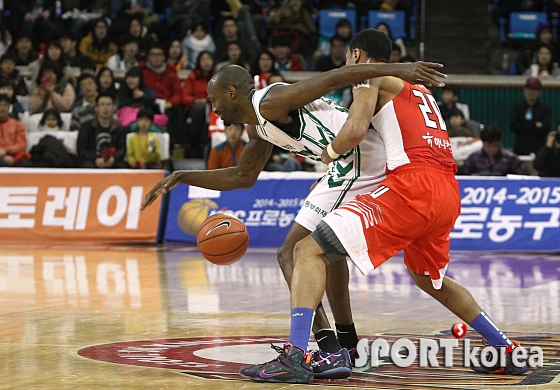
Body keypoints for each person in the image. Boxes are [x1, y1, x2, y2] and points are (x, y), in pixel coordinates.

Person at [237, 28, 530, 384]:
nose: (348, 67)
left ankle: (296, 355)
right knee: (430, 280)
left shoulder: (370, 79)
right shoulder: (420, 90)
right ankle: (506, 349)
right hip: (448, 189)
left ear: (357, 56)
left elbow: (355, 129)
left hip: (412, 186)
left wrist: (328, 158)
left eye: (348, 60)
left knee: (307, 250)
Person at [141, 60, 447, 379]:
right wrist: (181, 176)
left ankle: (319, 352)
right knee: (322, 251)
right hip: (348, 165)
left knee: (291, 252)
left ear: (231, 93)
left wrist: (397, 70)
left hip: (361, 162)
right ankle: (344, 346)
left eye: (214, 98)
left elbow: (334, 78)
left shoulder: (271, 101)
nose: (212, 106)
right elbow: (244, 176)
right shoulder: (258, 125)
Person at [77, 92, 127, 168]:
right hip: (92, 160)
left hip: (112, 160)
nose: (105, 108)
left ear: (113, 108)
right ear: (96, 108)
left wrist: (113, 158)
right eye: (102, 104)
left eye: (108, 104)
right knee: (87, 166)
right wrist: (95, 159)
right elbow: (81, 150)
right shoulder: (86, 127)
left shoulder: (119, 128)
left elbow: (122, 150)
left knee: (121, 166)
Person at [181, 51, 215, 157]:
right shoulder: (192, 76)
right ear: (198, 62)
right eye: (203, 60)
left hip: (214, 107)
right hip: (196, 108)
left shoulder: (217, 76)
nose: (206, 62)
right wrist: (196, 100)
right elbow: (185, 97)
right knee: (199, 109)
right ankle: (195, 147)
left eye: (208, 59)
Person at [462, 126, 529, 176]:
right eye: (488, 146)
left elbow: (523, 177)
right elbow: (464, 177)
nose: (491, 149)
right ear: (483, 143)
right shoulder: (473, 159)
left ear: (499, 142)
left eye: (494, 145)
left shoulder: (511, 159)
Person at [509, 77, 551, 156]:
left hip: (539, 150)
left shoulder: (544, 109)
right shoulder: (516, 108)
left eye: (534, 90)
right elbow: (513, 126)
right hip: (520, 149)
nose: (531, 92)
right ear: (524, 90)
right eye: (529, 89)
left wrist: (523, 125)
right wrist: (534, 124)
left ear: (539, 92)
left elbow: (545, 129)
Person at [0, 94, 32, 167]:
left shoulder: (18, 125)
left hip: (15, 158)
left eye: (4, 105)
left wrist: (6, 150)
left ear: (9, 107)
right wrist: (3, 157)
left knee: (27, 164)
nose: (1, 108)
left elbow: (21, 146)